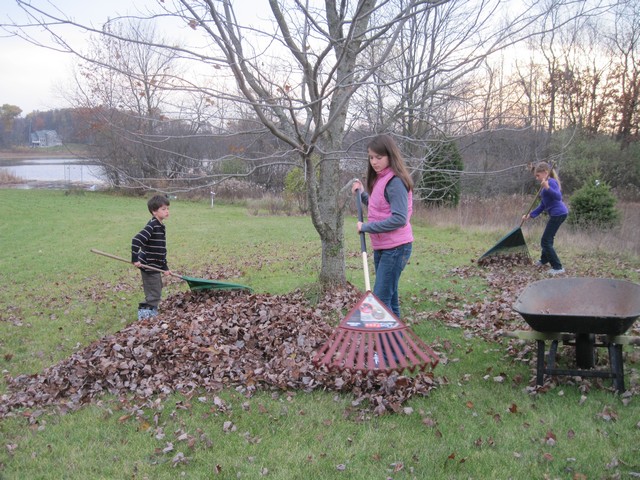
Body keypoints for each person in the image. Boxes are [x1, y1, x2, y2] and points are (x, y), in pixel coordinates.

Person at [351, 134, 414, 319]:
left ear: (390, 156)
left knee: (380, 300)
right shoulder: (382, 178)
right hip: (384, 247)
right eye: (371, 157)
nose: (374, 162)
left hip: (396, 248)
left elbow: (399, 219)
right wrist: (361, 194)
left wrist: (366, 227)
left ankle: (387, 348)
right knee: (390, 299)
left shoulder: (395, 182)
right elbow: (378, 205)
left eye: (379, 157)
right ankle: (396, 347)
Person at [522, 161, 569, 275]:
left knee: (545, 241)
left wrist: (547, 187)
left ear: (545, 172)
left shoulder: (551, 182)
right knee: (548, 239)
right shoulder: (545, 186)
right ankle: (544, 260)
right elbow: (543, 205)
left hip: (559, 214)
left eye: (538, 175)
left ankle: (558, 267)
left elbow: (558, 197)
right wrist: (530, 215)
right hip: (557, 214)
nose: (537, 178)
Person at [131, 195, 172, 319]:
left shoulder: (160, 226)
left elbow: (160, 250)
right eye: (163, 209)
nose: (167, 211)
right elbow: (136, 240)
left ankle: (150, 313)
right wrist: (135, 259)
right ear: (154, 211)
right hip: (148, 266)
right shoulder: (152, 226)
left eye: (167, 208)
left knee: (157, 289)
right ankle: (145, 317)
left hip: (155, 266)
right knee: (154, 293)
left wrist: (165, 267)